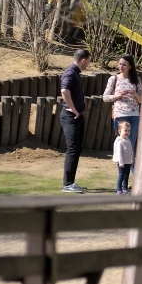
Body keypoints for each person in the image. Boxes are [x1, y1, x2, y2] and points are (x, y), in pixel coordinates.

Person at [103, 54, 142, 171]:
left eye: (124, 65)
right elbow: (105, 97)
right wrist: (117, 96)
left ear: (130, 66)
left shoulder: (137, 80)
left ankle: (135, 177)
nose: (121, 67)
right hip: (120, 115)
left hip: (134, 114)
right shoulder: (113, 79)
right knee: (122, 144)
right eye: (119, 64)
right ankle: (123, 176)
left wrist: (135, 94)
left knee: (131, 145)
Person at [60, 48, 91, 193]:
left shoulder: (76, 74)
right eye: (89, 61)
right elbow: (64, 91)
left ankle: (71, 182)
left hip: (77, 117)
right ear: (83, 60)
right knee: (72, 149)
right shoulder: (70, 73)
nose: (89, 64)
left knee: (77, 149)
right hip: (69, 117)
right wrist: (72, 108)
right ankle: (67, 184)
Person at [113, 121, 134, 194]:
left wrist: (131, 161)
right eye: (125, 130)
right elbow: (119, 153)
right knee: (121, 175)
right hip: (122, 162)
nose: (127, 132)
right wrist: (121, 163)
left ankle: (125, 188)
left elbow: (130, 151)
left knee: (126, 175)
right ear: (119, 131)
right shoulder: (119, 141)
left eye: (128, 131)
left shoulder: (127, 140)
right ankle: (119, 190)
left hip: (128, 161)